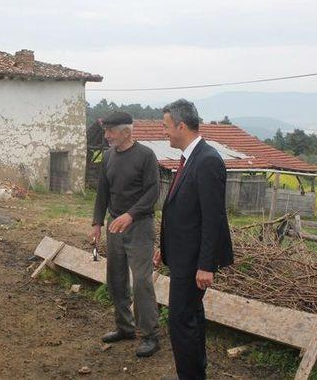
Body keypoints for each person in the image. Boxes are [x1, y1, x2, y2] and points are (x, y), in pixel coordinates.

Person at [153, 99, 234, 380]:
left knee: (181, 321)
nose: (164, 132)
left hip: (194, 262)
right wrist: (163, 248)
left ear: (181, 126)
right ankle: (195, 372)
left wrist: (206, 265)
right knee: (191, 317)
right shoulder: (189, 158)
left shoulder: (208, 160)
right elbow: (182, 213)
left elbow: (213, 219)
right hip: (182, 256)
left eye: (166, 127)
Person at [90, 111, 161, 358]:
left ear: (126, 132)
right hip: (114, 225)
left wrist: (130, 215)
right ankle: (124, 326)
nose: (106, 136)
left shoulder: (145, 156)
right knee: (116, 278)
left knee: (141, 281)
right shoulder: (109, 157)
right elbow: (102, 193)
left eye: (110, 131)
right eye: (106, 131)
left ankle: (150, 335)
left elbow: (153, 192)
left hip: (139, 225)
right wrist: (97, 222)